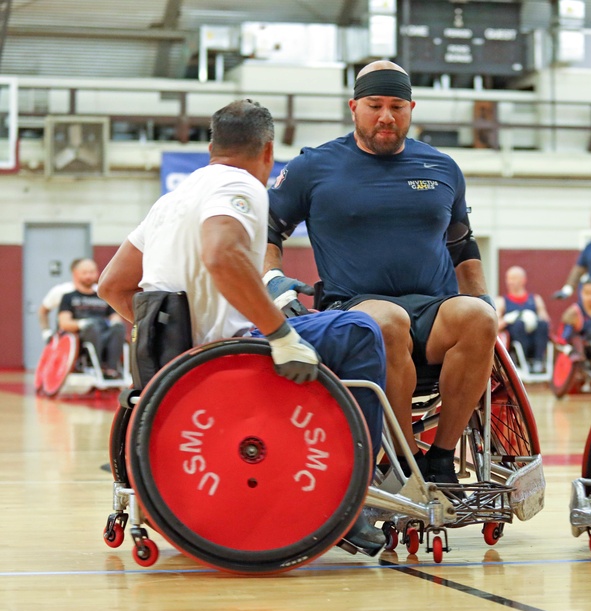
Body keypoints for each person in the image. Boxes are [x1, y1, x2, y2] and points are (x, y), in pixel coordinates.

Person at [98, 99, 388, 555]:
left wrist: (172, 338)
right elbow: (221, 255)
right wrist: (279, 334)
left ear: (211, 146)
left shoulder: (172, 200)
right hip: (230, 356)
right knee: (360, 330)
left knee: (314, 323)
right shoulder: (243, 185)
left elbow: (112, 285)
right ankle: (356, 499)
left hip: (180, 361)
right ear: (268, 152)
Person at [265, 61, 498, 491]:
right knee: (388, 321)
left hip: (432, 308)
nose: (386, 116)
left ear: (411, 109)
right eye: (375, 105)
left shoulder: (442, 167)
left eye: (396, 106)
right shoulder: (313, 167)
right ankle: (404, 464)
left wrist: (481, 298)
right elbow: (267, 230)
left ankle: (442, 460)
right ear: (354, 107)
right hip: (354, 307)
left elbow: (462, 245)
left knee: (480, 319)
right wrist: (274, 282)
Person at [57, 258, 127, 378]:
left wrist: (115, 323)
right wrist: (81, 324)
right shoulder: (68, 297)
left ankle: (112, 369)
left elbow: (115, 317)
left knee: (119, 328)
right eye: (85, 272)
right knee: (92, 327)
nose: (89, 275)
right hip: (84, 335)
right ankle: (94, 366)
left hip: (104, 333)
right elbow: (64, 323)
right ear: (76, 274)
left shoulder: (104, 297)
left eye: (92, 272)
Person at [497, 266, 551, 374]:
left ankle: (538, 362)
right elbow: (496, 326)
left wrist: (532, 317)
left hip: (534, 339)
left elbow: (546, 320)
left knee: (542, 324)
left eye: (514, 278)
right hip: (515, 342)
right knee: (518, 324)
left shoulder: (536, 299)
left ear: (523, 280)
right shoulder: (501, 301)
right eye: (508, 279)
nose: (510, 282)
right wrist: (509, 318)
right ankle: (521, 362)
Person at [38, 277, 76, 341]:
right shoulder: (63, 291)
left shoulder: (96, 290)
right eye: (85, 273)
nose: (88, 276)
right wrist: (46, 332)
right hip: (68, 338)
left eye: (91, 272)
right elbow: (43, 311)